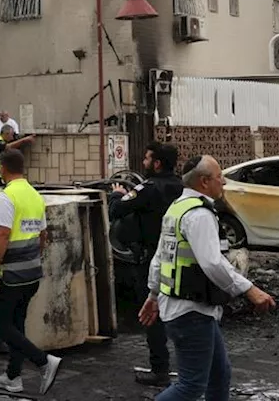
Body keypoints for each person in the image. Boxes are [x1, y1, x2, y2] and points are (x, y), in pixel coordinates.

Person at [141, 155, 275, 401]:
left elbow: (160, 257)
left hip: (188, 308)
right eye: (219, 177)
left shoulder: (177, 208)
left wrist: (153, 295)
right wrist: (249, 290)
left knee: (219, 375)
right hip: (190, 311)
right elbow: (212, 262)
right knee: (191, 386)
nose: (223, 182)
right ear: (204, 182)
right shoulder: (199, 214)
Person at [0, 148, 63, 395]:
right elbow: (43, 235)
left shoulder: (7, 196)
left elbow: (2, 235)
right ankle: (13, 377)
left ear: (3, 168)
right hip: (31, 274)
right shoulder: (35, 195)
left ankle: (43, 361)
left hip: (10, 275)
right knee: (16, 324)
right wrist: (32, 259)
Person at [110, 142, 183, 388]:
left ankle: (159, 368)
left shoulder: (149, 188)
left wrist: (117, 194)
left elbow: (116, 210)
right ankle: (188, 365)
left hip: (151, 259)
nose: (143, 163)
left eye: (147, 159)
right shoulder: (181, 187)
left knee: (151, 313)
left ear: (157, 163)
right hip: (178, 260)